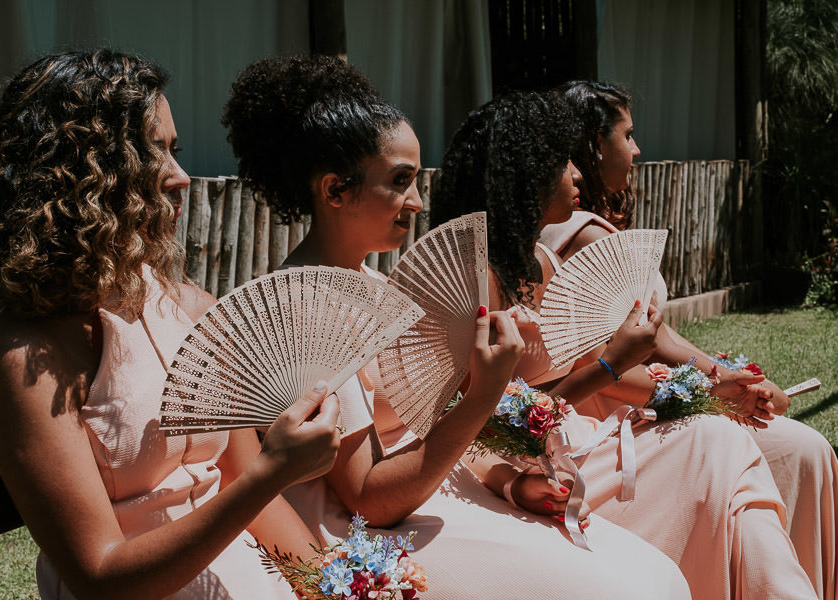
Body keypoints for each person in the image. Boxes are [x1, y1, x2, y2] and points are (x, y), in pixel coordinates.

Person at [222, 54, 693, 599]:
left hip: (440, 487)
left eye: (416, 181)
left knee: (654, 576)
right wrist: (484, 394)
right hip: (372, 535)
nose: (419, 201)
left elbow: (433, 426)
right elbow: (369, 497)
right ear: (334, 190)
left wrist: (509, 481)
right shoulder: (305, 309)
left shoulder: (374, 291)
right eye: (400, 182)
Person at [0, 49, 342, 600]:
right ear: (81, 173)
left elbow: (254, 495)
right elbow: (100, 576)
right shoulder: (25, 360)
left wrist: (337, 586)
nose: (180, 178)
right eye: (153, 153)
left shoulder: (190, 308)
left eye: (173, 151)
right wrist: (270, 473)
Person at [430, 89, 818, 599]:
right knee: (718, 447)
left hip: (578, 434)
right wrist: (615, 363)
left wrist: (706, 388)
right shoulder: (471, 280)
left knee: (726, 451)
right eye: (561, 161)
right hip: (525, 461)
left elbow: (594, 368)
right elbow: (479, 424)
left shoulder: (540, 265)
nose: (575, 173)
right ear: (522, 174)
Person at [542, 80, 838, 599]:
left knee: (804, 449)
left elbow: (660, 335)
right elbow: (643, 346)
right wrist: (720, 385)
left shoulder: (585, 228)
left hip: (643, 394)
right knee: (802, 448)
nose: (636, 150)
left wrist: (729, 377)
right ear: (592, 145)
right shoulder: (583, 235)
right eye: (627, 135)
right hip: (620, 408)